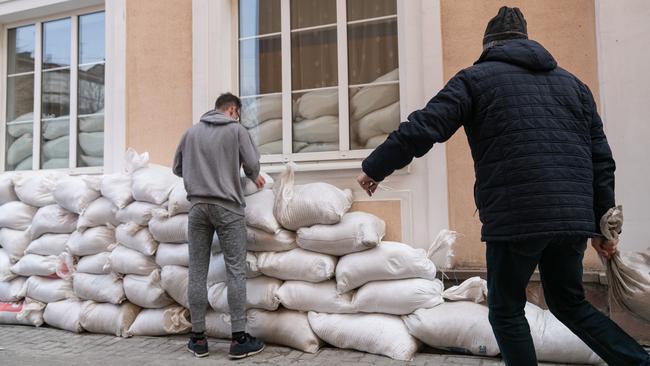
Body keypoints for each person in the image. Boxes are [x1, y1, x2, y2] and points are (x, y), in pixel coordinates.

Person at [356, 6, 650, 366]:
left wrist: (375, 168)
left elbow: (425, 126)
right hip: (572, 218)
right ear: (526, 41)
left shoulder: (474, 79)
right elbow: (601, 159)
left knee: (506, 309)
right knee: (570, 304)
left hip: (517, 218)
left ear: (488, 45)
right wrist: (605, 226)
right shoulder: (575, 86)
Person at [173, 92, 266, 359]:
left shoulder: (190, 133)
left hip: (198, 208)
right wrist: (252, 176)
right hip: (228, 207)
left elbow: (177, 168)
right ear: (233, 110)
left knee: (198, 272)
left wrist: (200, 173)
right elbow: (252, 164)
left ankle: (198, 339)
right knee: (235, 271)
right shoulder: (236, 131)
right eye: (238, 113)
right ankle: (238, 339)